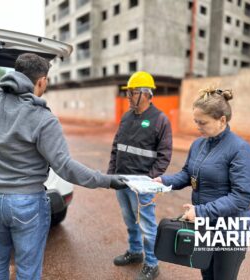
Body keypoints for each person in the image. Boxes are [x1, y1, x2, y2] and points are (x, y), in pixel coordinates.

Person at [0, 53, 126, 280]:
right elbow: (65, 167)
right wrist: (107, 180)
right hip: (26, 203)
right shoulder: (43, 119)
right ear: (41, 81)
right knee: (27, 269)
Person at [154, 88, 250, 280]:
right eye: (196, 121)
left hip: (230, 231)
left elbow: (242, 196)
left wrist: (201, 211)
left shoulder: (240, 149)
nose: (198, 127)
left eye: (203, 122)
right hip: (206, 227)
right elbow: (187, 174)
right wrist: (163, 181)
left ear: (222, 120)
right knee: (206, 273)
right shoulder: (198, 145)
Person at [108, 71, 172, 280]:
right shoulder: (126, 117)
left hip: (142, 185)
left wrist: (148, 180)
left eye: (132, 92)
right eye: (128, 92)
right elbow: (116, 146)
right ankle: (135, 252)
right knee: (130, 221)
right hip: (122, 180)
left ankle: (152, 263)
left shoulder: (160, 119)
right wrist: (111, 175)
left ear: (145, 94)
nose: (128, 96)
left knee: (147, 224)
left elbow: (164, 156)